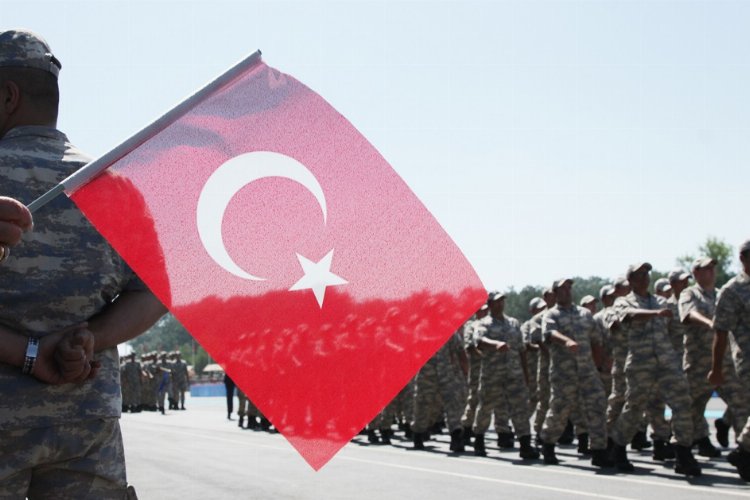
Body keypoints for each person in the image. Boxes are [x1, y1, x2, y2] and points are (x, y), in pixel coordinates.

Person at [0, 30, 166, 498]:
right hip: (84, 424)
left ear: (8, 97)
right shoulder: (111, 187)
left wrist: (29, 351)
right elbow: (154, 292)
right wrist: (89, 339)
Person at [609, 263, 700, 476]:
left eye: (646, 274)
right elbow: (628, 315)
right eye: (639, 274)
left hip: (667, 363)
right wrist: (655, 313)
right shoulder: (623, 302)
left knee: (682, 402)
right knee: (634, 407)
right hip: (640, 364)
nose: (644, 277)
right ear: (630, 280)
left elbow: (677, 328)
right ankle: (618, 447)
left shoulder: (661, 301)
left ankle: (683, 452)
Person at [539, 279, 611, 468]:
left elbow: (596, 341)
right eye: (562, 289)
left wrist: (598, 365)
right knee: (560, 410)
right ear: (555, 293)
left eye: (569, 288)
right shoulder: (551, 315)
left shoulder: (585, 314)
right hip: (564, 373)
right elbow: (550, 333)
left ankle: (599, 451)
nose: (567, 291)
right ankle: (548, 444)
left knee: (597, 406)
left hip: (588, 372)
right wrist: (566, 341)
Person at [471, 292, 538, 460]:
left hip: (514, 374)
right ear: (490, 304)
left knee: (520, 408)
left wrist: (526, 375)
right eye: (497, 301)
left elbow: (521, 350)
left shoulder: (513, 323)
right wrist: (495, 344)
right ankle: (479, 440)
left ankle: (525, 445)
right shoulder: (483, 323)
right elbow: (479, 341)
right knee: (486, 407)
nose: (500, 304)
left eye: (502, 301)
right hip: (492, 374)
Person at [708, 240, 750, 481]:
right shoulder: (732, 291)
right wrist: (716, 369)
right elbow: (720, 332)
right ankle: (744, 451)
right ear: (743, 258)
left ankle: (744, 450)